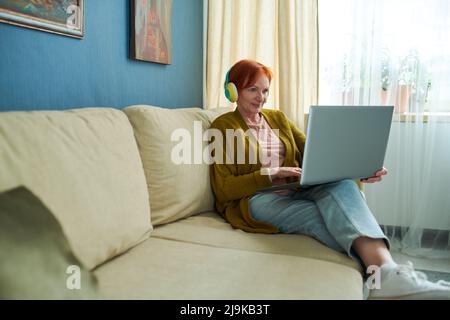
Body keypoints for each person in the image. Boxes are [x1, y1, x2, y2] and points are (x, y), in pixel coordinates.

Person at [209, 59, 450, 300]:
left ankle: (388, 277)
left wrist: (360, 169)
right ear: (233, 90)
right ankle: (387, 277)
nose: (260, 97)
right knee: (325, 217)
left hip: (296, 188)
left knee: (344, 186)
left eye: (265, 90)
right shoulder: (223, 126)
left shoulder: (278, 119)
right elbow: (223, 188)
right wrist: (269, 175)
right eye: (253, 89)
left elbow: (318, 152)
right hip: (257, 200)